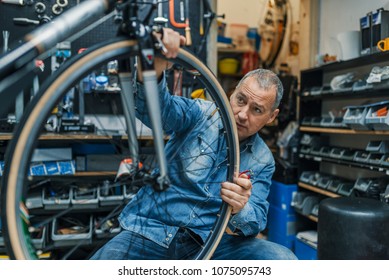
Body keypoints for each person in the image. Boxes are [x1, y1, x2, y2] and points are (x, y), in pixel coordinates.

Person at [90, 28, 297, 260]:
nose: (242, 114)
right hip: (152, 232)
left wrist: (241, 207)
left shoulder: (263, 160)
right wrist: (154, 68)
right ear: (232, 93)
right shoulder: (200, 113)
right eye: (241, 100)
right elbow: (157, 111)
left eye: (257, 110)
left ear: (272, 116)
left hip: (211, 241)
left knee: (283, 261)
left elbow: (255, 222)